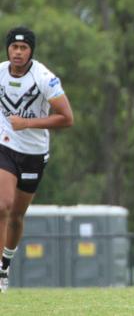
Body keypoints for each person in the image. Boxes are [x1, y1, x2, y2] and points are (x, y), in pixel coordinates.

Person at [0, 26, 74, 293]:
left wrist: (27, 123)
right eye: (14, 47)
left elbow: (67, 118)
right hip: (4, 147)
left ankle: (5, 264)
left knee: (17, 216)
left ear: (31, 51)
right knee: (2, 205)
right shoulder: (0, 72)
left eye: (23, 48)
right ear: (8, 49)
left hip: (33, 154)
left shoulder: (44, 78)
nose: (18, 52)